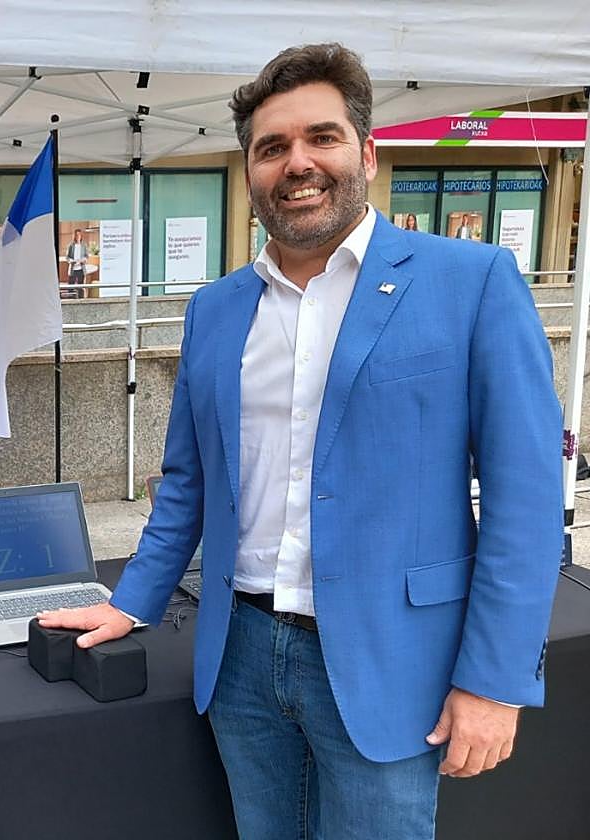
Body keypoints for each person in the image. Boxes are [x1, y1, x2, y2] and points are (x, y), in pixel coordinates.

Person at [40, 42, 560, 839]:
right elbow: (188, 481)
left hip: (395, 661)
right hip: (241, 654)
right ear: (250, 171)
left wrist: (494, 682)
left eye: (322, 137)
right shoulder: (215, 309)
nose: (298, 163)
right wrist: (131, 601)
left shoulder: (473, 281)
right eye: (271, 147)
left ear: (368, 153)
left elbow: (526, 502)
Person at [65, 228, 87, 299]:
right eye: (76, 235)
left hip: (81, 269)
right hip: (73, 269)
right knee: (71, 286)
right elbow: (67, 257)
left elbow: (86, 256)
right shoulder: (71, 245)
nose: (78, 236)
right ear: (74, 236)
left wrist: (83, 260)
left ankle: (81, 300)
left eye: (79, 235)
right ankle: (70, 300)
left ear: (81, 236)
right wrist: (71, 261)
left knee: (81, 287)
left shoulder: (84, 245)